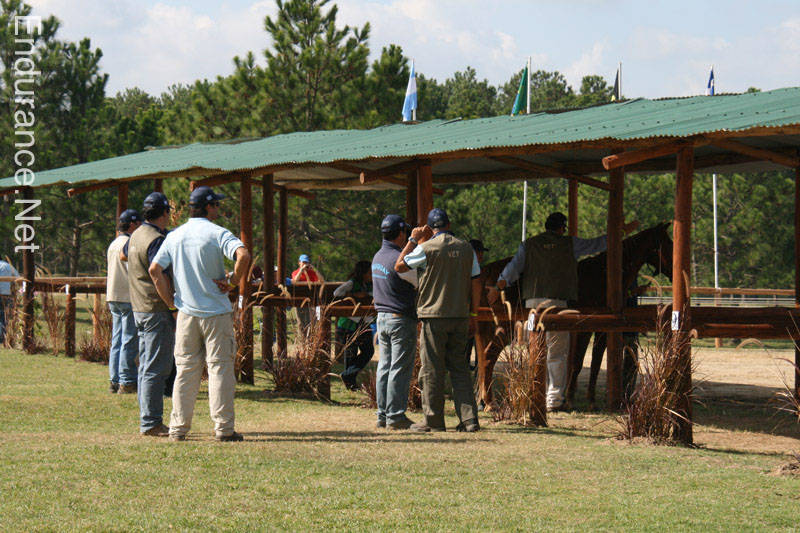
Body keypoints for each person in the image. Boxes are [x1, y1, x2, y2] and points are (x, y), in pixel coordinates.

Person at [488, 212, 638, 412]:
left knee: (536, 351)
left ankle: (533, 393)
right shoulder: (571, 244)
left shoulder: (529, 245)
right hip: (558, 303)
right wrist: (620, 232)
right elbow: (599, 244)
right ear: (562, 228)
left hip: (532, 304)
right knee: (557, 353)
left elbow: (513, 268)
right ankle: (553, 400)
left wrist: (498, 288)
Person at [150, 186, 250, 443]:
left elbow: (154, 270)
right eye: (216, 205)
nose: (218, 208)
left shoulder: (175, 235)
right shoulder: (217, 233)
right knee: (220, 369)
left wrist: (171, 303)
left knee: (185, 371)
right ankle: (224, 429)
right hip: (216, 313)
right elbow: (243, 255)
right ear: (208, 207)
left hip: (185, 314)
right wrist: (234, 281)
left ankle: (178, 429)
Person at [396, 208, 481, 433]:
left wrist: (413, 240)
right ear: (449, 224)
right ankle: (470, 419)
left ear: (430, 228)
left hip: (434, 317)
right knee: (460, 368)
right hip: (461, 316)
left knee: (432, 369)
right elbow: (476, 281)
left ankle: (433, 420)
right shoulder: (467, 248)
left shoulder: (426, 248)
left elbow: (399, 266)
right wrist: (473, 314)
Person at [126, 192, 175, 436]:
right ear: (164, 213)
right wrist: (172, 305)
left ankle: (148, 418)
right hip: (156, 309)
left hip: (139, 308)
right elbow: (158, 273)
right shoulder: (157, 239)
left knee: (146, 366)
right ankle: (151, 422)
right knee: (157, 368)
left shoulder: (136, 234)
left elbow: (126, 254)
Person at [372, 214, 418, 430]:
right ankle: (396, 416)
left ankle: (383, 414)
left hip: (381, 318)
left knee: (384, 367)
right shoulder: (397, 260)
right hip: (400, 319)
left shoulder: (377, 258)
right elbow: (419, 282)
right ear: (401, 234)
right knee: (399, 368)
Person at [107, 209, 141, 394]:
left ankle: (114, 379)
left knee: (117, 339)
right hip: (127, 296)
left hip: (113, 295)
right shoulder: (130, 244)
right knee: (129, 339)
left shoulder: (113, 244)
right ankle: (127, 380)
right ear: (133, 225)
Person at [333, 260, 374, 391]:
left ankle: (346, 375)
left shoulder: (372, 285)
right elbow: (337, 293)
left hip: (364, 324)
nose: (372, 274)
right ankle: (351, 384)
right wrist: (353, 295)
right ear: (363, 273)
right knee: (350, 354)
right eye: (369, 272)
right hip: (348, 325)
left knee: (368, 350)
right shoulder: (352, 283)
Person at [465, 239, 489, 371]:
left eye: (481, 252)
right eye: (478, 252)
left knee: (480, 348)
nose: (481, 255)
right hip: (468, 315)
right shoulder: (465, 270)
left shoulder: (482, 271)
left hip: (480, 317)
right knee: (465, 350)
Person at [291, 254, 325, 338]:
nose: (305, 264)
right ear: (299, 263)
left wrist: (315, 269)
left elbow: (322, 280)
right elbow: (295, 281)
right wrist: (301, 270)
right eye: (303, 262)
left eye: (306, 262)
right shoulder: (295, 272)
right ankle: (302, 340)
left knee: (312, 322)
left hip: (312, 300)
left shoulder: (312, 273)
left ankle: (311, 339)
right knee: (301, 323)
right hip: (300, 301)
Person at [0, 258, 19, 345]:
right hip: (6, 295)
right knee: (4, 316)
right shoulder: (7, 265)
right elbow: (18, 277)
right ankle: (2, 337)